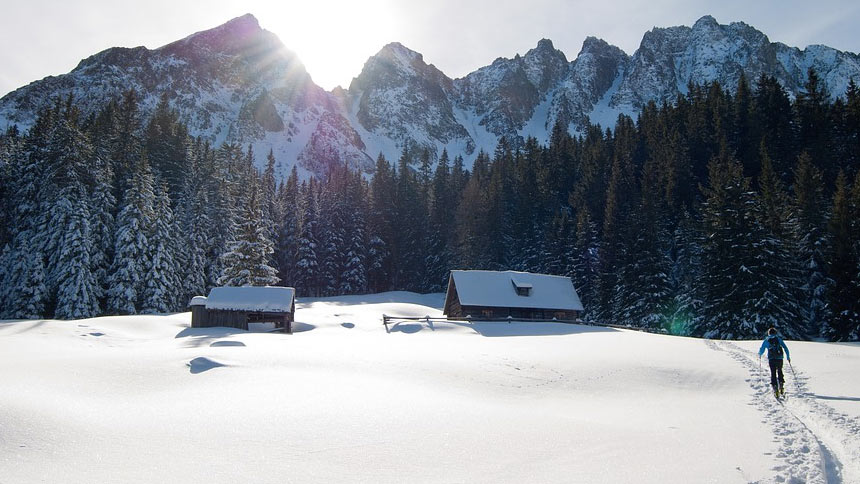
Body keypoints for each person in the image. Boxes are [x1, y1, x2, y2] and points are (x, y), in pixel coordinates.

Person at [758, 327, 791, 397]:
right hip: (779, 358)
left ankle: (775, 388)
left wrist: (760, 354)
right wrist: (788, 357)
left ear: (769, 333)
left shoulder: (766, 340)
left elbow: (762, 349)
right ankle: (781, 385)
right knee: (780, 371)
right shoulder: (779, 339)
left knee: (773, 373)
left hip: (771, 359)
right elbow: (785, 348)